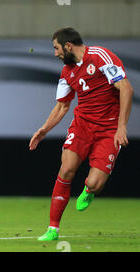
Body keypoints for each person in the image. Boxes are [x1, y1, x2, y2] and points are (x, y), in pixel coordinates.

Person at [29, 27, 134, 241]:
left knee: (95, 183)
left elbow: (126, 89)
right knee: (66, 169)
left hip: (108, 130)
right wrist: (44, 130)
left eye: (56, 48)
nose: (55, 53)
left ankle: (89, 190)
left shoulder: (100, 57)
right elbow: (62, 106)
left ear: (68, 46)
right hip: (82, 126)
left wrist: (122, 127)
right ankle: (52, 229)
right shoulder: (67, 72)